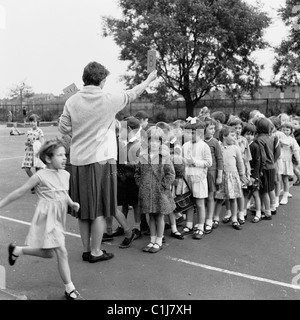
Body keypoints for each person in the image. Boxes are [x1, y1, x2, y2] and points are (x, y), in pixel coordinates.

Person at [58, 61, 157, 263]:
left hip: (77, 161)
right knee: (101, 209)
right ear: (102, 80)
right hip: (102, 160)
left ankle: (87, 249)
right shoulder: (108, 98)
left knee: (83, 210)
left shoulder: (72, 101)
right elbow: (133, 92)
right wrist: (148, 79)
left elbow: (64, 129)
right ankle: (95, 251)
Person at [0, 139, 84, 300]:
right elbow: (20, 192)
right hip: (46, 218)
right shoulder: (40, 176)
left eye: (65, 154)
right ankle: (70, 289)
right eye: (60, 155)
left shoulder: (65, 174)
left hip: (58, 218)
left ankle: (18, 250)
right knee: (62, 251)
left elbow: (62, 192)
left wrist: (71, 203)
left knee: (48, 254)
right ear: (48, 159)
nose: (65, 158)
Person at [135, 126, 176, 253]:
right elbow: (137, 173)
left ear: (160, 142)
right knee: (150, 217)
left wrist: (163, 185)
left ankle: (159, 240)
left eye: (157, 141)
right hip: (147, 192)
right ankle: (152, 240)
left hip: (160, 193)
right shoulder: (143, 157)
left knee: (159, 217)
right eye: (151, 140)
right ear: (147, 141)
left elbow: (171, 174)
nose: (154, 143)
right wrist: (141, 184)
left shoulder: (164, 157)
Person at [181, 118, 212, 240]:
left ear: (199, 133)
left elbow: (209, 162)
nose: (189, 135)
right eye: (188, 132)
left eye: (192, 132)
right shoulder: (185, 145)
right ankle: (188, 225)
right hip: (187, 177)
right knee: (188, 203)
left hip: (199, 178)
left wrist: (195, 162)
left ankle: (200, 226)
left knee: (199, 203)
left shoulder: (204, 146)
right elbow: (182, 160)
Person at [213, 126, 248, 230]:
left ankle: (234, 219)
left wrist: (242, 175)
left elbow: (240, 162)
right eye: (232, 135)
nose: (235, 137)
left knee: (233, 199)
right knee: (219, 199)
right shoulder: (218, 147)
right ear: (224, 136)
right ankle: (215, 218)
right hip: (222, 176)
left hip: (233, 176)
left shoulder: (236, 149)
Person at [252, 117, 281, 219]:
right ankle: (273, 207)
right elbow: (277, 153)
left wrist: (260, 169)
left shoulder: (259, 139)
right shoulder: (271, 138)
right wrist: (272, 161)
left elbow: (262, 156)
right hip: (271, 166)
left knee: (263, 191)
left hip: (264, 167)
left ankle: (267, 212)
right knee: (270, 188)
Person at [203, 117, 223, 233]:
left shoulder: (215, 142)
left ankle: (209, 219)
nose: (213, 130)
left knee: (211, 197)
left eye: (214, 128)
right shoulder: (200, 141)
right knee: (201, 198)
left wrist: (219, 176)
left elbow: (220, 159)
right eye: (210, 128)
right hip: (201, 173)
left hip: (212, 173)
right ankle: (202, 219)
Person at [241, 123, 262, 223]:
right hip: (245, 173)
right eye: (247, 134)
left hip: (253, 173)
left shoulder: (255, 146)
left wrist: (254, 176)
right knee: (245, 193)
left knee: (255, 194)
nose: (249, 136)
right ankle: (244, 211)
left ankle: (258, 213)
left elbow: (258, 162)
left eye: (252, 134)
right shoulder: (242, 144)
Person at [277, 121, 300, 205]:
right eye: (283, 130)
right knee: (278, 179)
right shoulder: (278, 138)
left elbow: (296, 151)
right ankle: (283, 191)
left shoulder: (291, 140)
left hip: (287, 161)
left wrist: (298, 161)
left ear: (291, 131)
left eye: (287, 130)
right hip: (278, 161)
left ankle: (285, 195)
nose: (285, 132)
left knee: (285, 179)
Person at [21, 114, 45, 193]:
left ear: (37, 122)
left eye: (34, 121)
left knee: (37, 169)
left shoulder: (39, 131)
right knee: (26, 168)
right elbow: (26, 142)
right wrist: (27, 143)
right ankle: (34, 184)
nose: (32, 123)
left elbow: (42, 142)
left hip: (36, 152)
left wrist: (37, 146)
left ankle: (36, 185)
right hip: (29, 152)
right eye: (31, 121)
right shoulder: (29, 131)